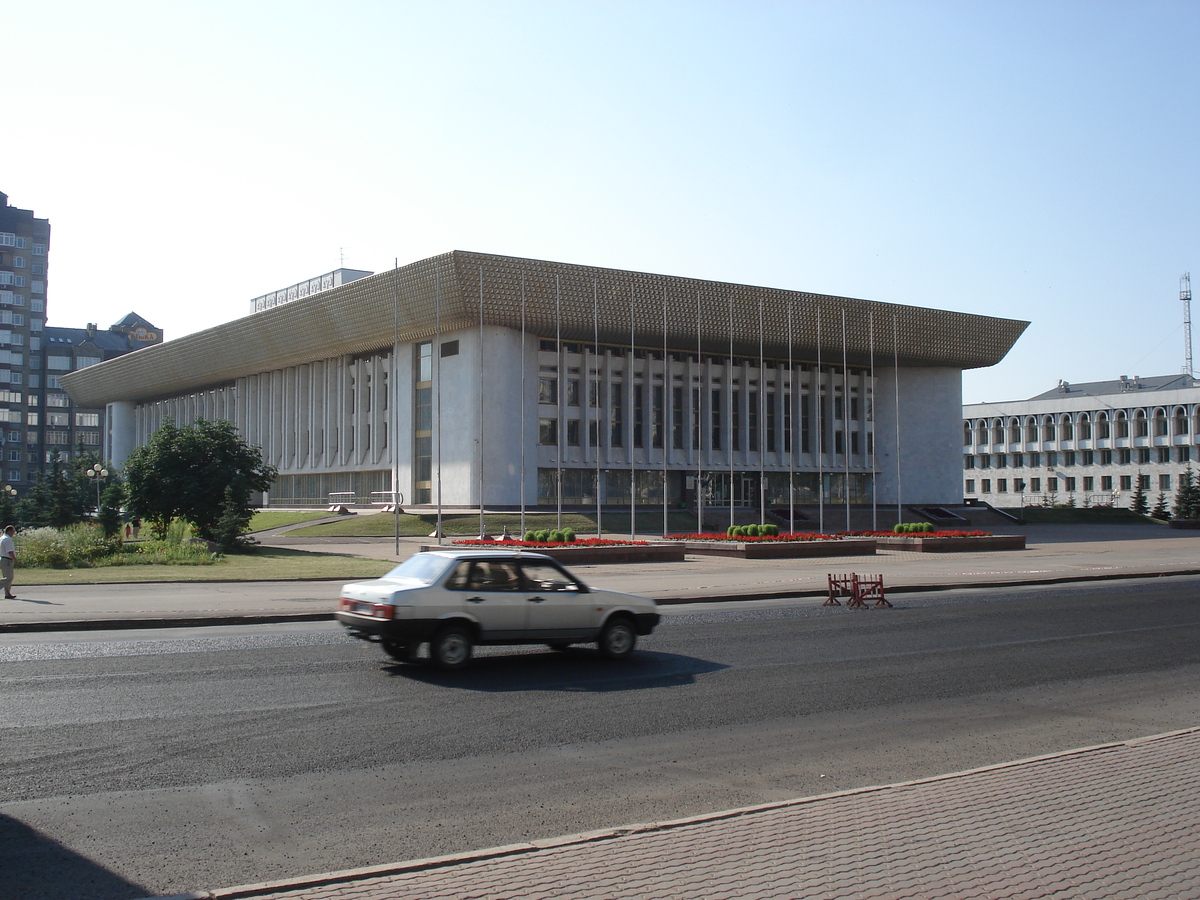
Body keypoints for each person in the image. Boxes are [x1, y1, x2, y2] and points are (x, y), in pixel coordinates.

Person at [0, 525, 16, 599]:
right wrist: (15, 560)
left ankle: (7, 593)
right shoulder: (7, 539)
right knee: (9, 578)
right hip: (7, 560)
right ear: (9, 531)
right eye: (13, 531)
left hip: (3, 558)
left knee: (6, 577)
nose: (14, 533)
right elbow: (10, 551)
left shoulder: (2, 538)